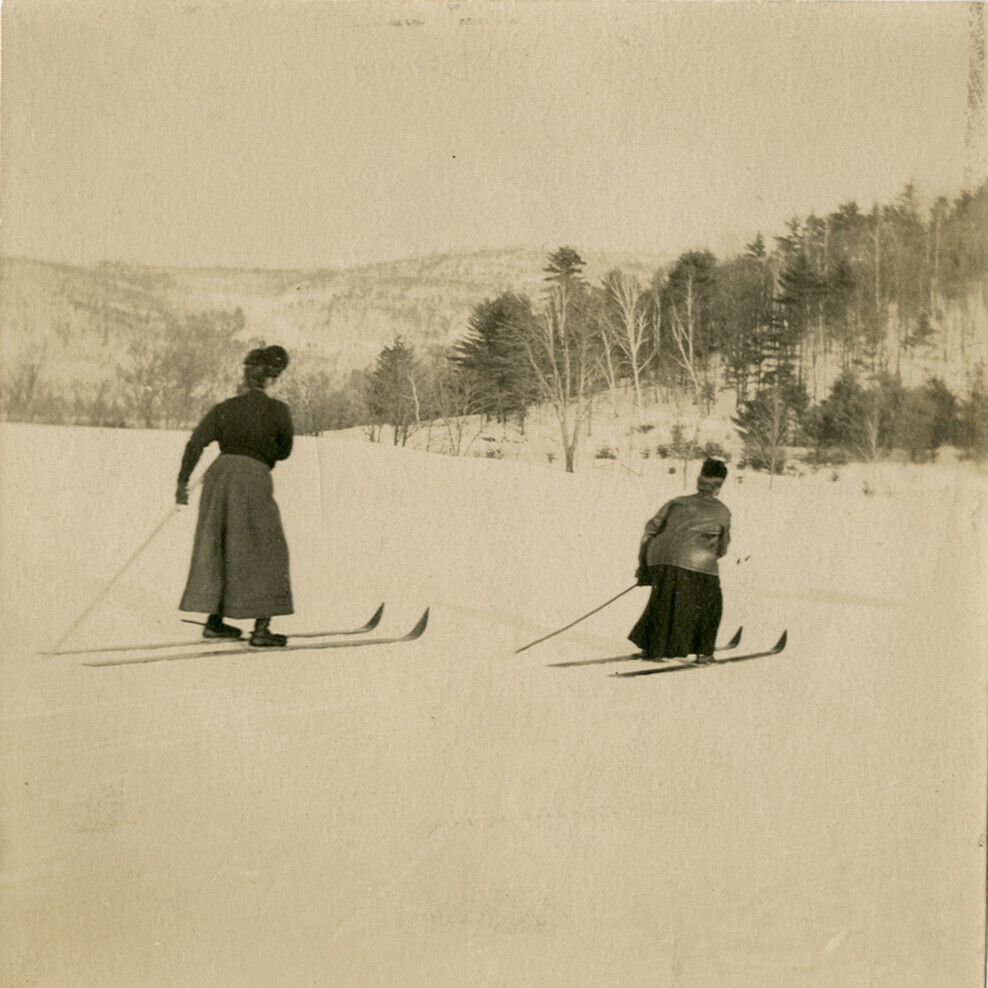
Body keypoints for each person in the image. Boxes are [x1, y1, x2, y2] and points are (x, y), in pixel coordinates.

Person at [176, 345, 294, 647]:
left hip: (219, 478)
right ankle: (261, 629)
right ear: (272, 380)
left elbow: (196, 442)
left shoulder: (224, 409)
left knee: (219, 545)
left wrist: (182, 483)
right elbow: (284, 451)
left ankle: (215, 623)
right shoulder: (279, 411)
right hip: (252, 478)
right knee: (268, 549)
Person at [628, 458, 731, 663]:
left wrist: (645, 566)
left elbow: (650, 530)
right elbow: (722, 546)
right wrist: (710, 557)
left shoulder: (676, 502)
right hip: (698, 561)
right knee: (709, 604)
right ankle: (704, 652)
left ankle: (654, 648)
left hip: (660, 557)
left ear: (699, 480)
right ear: (719, 485)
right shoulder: (722, 511)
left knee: (664, 601)